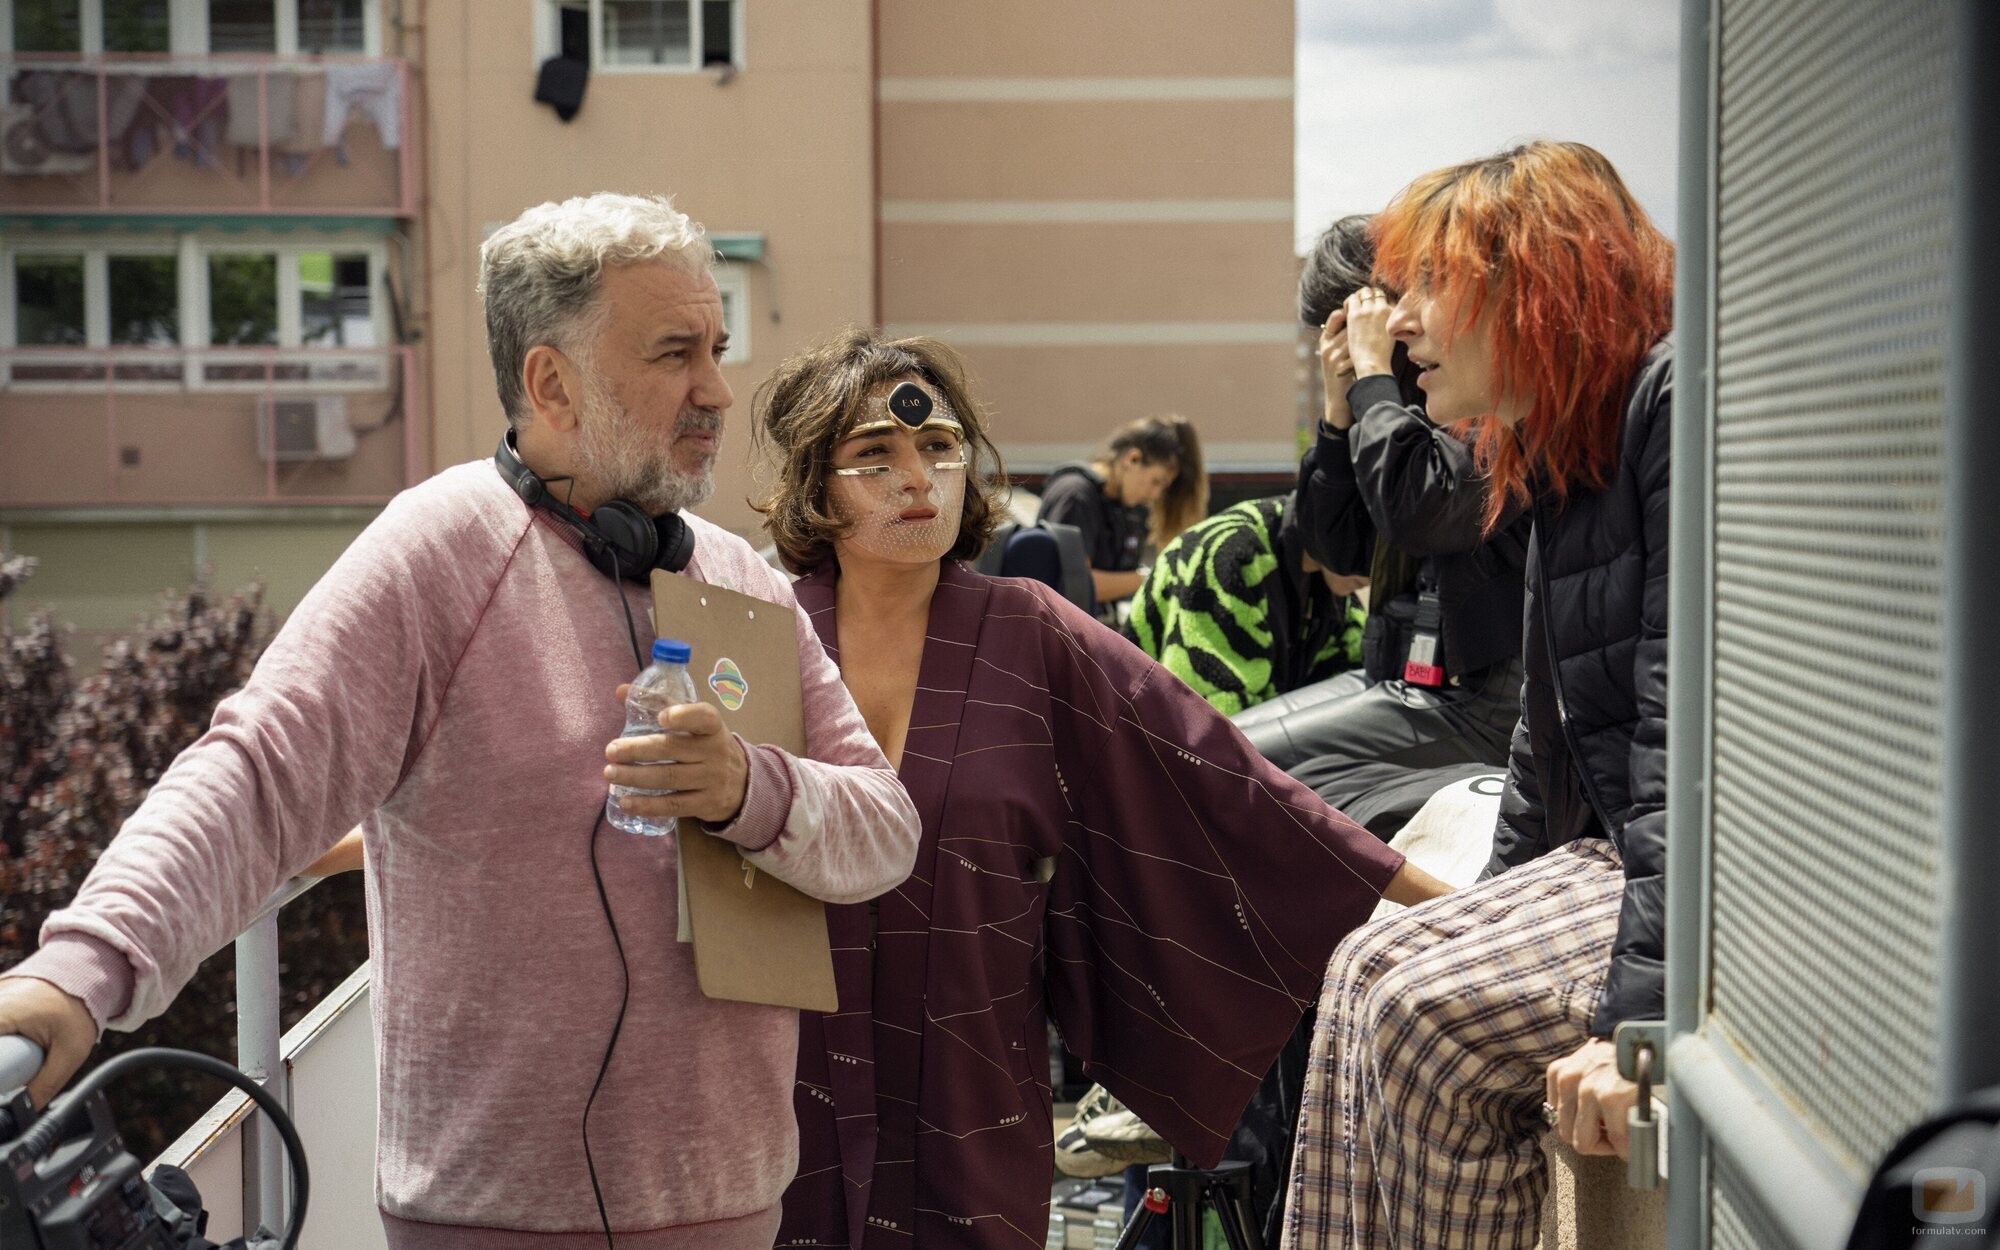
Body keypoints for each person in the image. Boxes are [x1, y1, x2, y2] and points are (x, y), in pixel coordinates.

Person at [0, 193, 922, 1250]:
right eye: (675, 352)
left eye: (714, 347)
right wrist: (75, 975)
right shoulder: (434, 550)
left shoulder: (733, 580)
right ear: (549, 382)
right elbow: (253, 775)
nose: (716, 388)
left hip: (733, 1202)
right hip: (487, 1215)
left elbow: (882, 831)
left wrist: (749, 788)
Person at [752, 328, 1454, 1250]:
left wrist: (1433, 903)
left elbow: (1217, 777)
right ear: (815, 482)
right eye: (875, 453)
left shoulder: (1028, 632)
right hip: (777, 1080)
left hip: (976, 1082)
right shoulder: (759, 634)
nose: (917, 478)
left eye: (939, 447)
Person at [1281, 141, 1675, 1249]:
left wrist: (1638, 1027)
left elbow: (1687, 746)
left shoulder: (1668, 405)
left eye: (1420, 289)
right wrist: (1487, 912)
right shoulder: (1558, 441)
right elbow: (1545, 743)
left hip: (1715, 880)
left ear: (1529, 282)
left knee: (1416, 1010)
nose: (1395, 325)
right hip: (1616, 849)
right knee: (1364, 961)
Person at [1233, 214, 1530, 782]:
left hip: (1473, 700)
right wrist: (1337, 412)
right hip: (1402, 677)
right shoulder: (1390, 411)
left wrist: (1374, 377)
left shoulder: (1483, 398)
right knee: (1205, 742)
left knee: (1230, 766)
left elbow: (1419, 511)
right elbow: (1336, 550)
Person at [1125, 493, 1367, 717]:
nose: (1375, 573)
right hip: (1160, 745)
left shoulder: (1335, 578)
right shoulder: (1227, 554)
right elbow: (1210, 725)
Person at [1036, 415, 1207, 615]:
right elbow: (1077, 583)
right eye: (1156, 481)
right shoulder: (1076, 496)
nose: (1156, 494)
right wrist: (1150, 577)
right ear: (1132, 458)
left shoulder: (1121, 504)